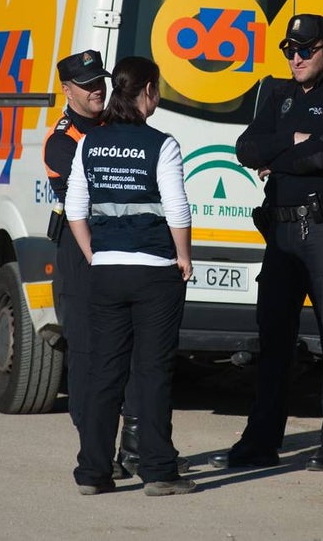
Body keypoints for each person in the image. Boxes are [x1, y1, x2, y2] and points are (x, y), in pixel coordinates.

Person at [210, 14, 323, 471]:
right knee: (273, 336)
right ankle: (260, 441)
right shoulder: (276, 93)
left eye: (305, 50)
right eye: (289, 51)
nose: (295, 58)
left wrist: (277, 156)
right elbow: (243, 148)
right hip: (279, 230)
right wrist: (291, 141)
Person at [65, 55, 196, 497]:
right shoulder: (163, 144)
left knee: (104, 371)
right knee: (152, 371)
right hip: (155, 273)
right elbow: (177, 207)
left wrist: (92, 254)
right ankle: (158, 472)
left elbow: (74, 207)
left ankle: (92, 473)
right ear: (148, 92)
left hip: (106, 271)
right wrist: (184, 258)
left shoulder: (90, 142)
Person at [44, 49, 145, 478]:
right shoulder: (61, 141)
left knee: (129, 350)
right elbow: (91, 195)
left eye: (100, 81)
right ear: (67, 91)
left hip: (121, 244)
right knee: (87, 353)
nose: (97, 90)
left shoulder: (115, 125)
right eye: (86, 86)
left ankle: (135, 446)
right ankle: (95, 449)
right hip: (80, 248)